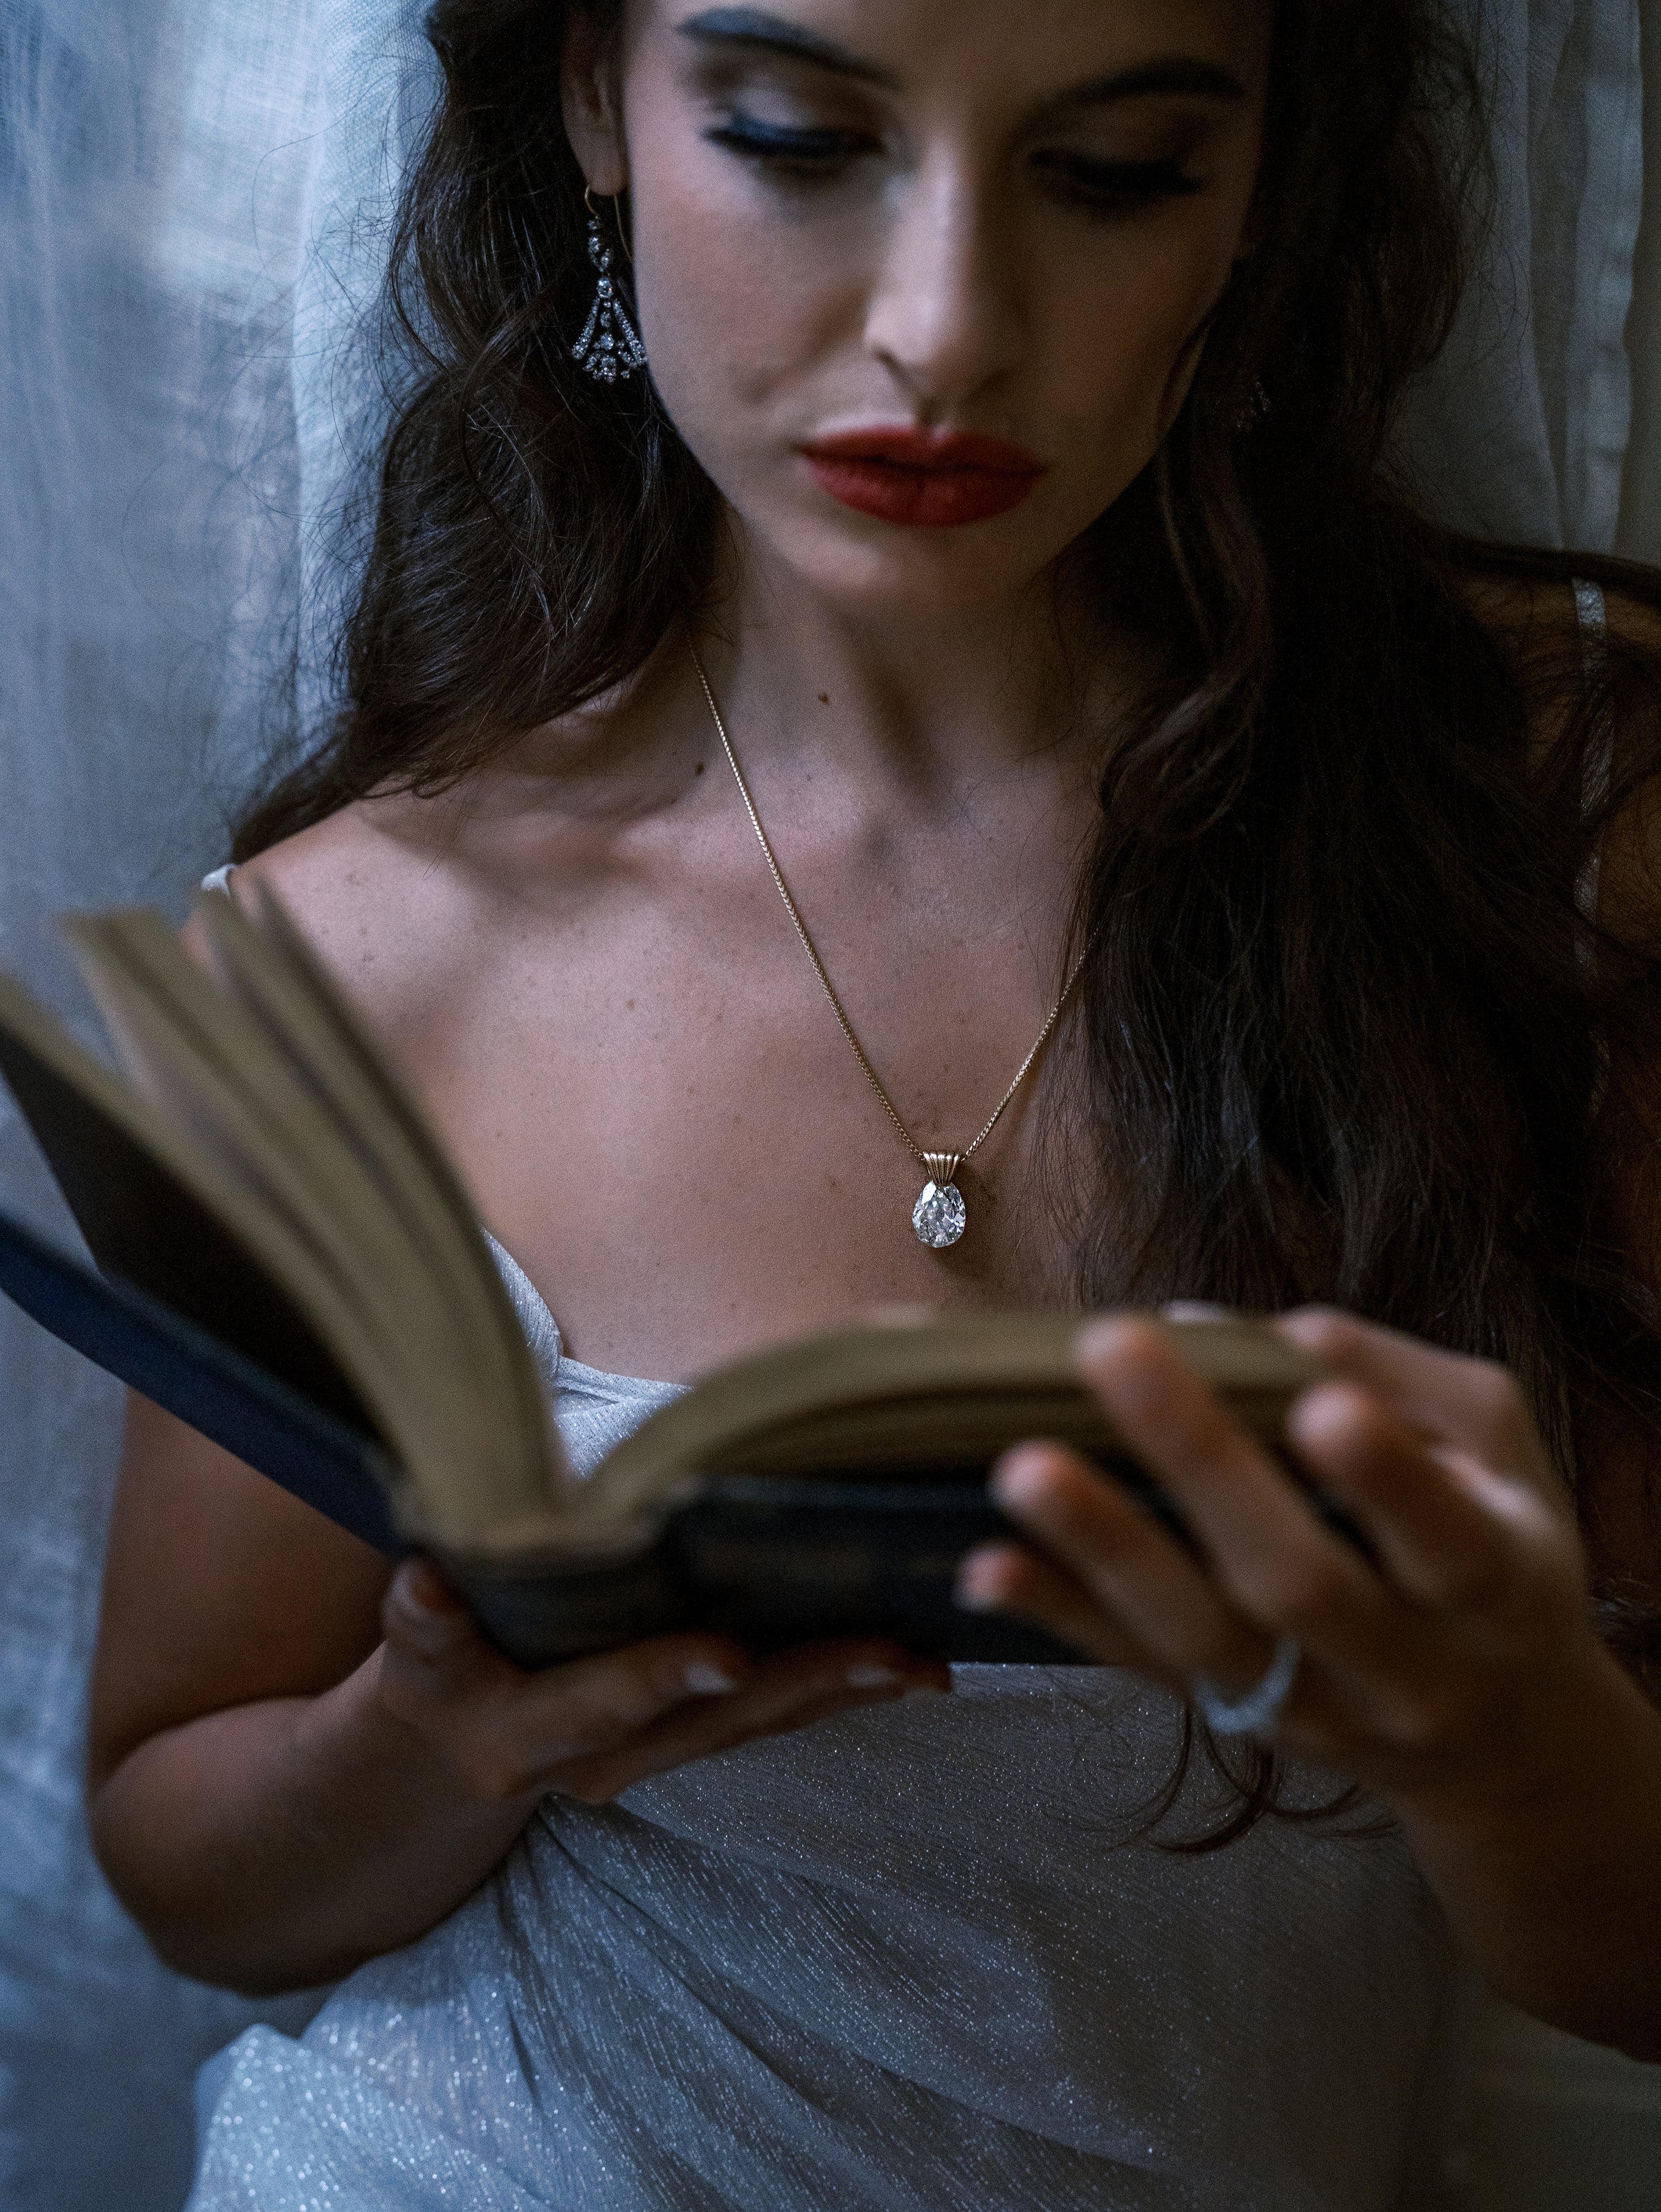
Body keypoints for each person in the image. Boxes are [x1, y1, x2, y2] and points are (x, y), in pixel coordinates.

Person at [84, 1, 1661, 2203]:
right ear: (593, 99)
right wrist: (435, 1737)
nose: (945, 328)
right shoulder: (354, 960)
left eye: (1110, 175)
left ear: (1258, 191)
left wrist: (1510, 1741)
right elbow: (187, 1859)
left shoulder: (1546, 815)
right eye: (797, 140)